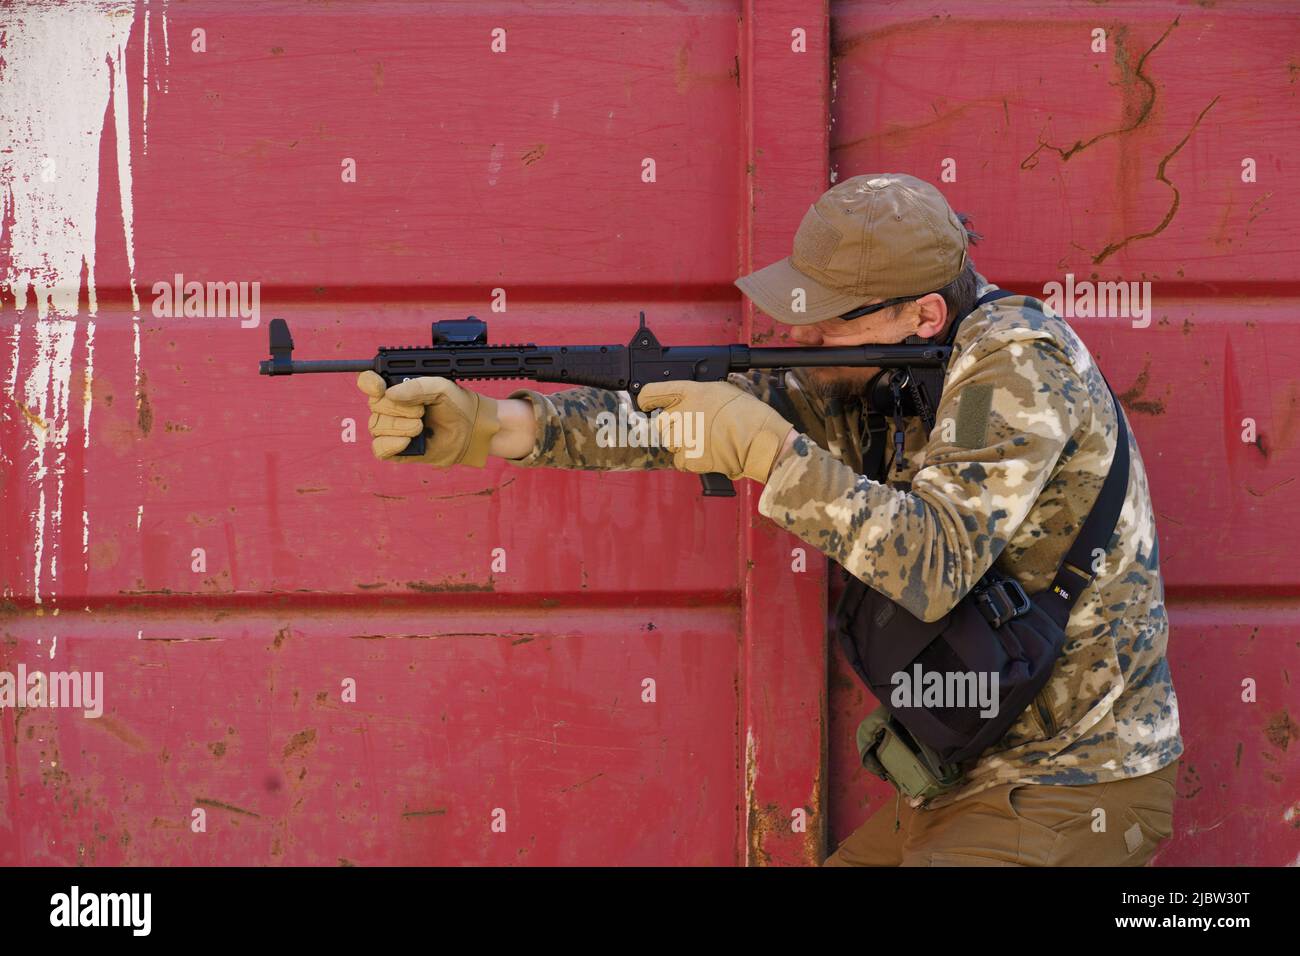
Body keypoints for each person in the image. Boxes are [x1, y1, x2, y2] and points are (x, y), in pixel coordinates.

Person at [357, 173, 1182, 867]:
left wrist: (776, 457)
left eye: (829, 315)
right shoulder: (883, 371)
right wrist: (497, 426)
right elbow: (685, 422)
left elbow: (935, 564)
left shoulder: (1019, 364)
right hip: (964, 783)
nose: (799, 333)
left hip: (1076, 787)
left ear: (924, 316)